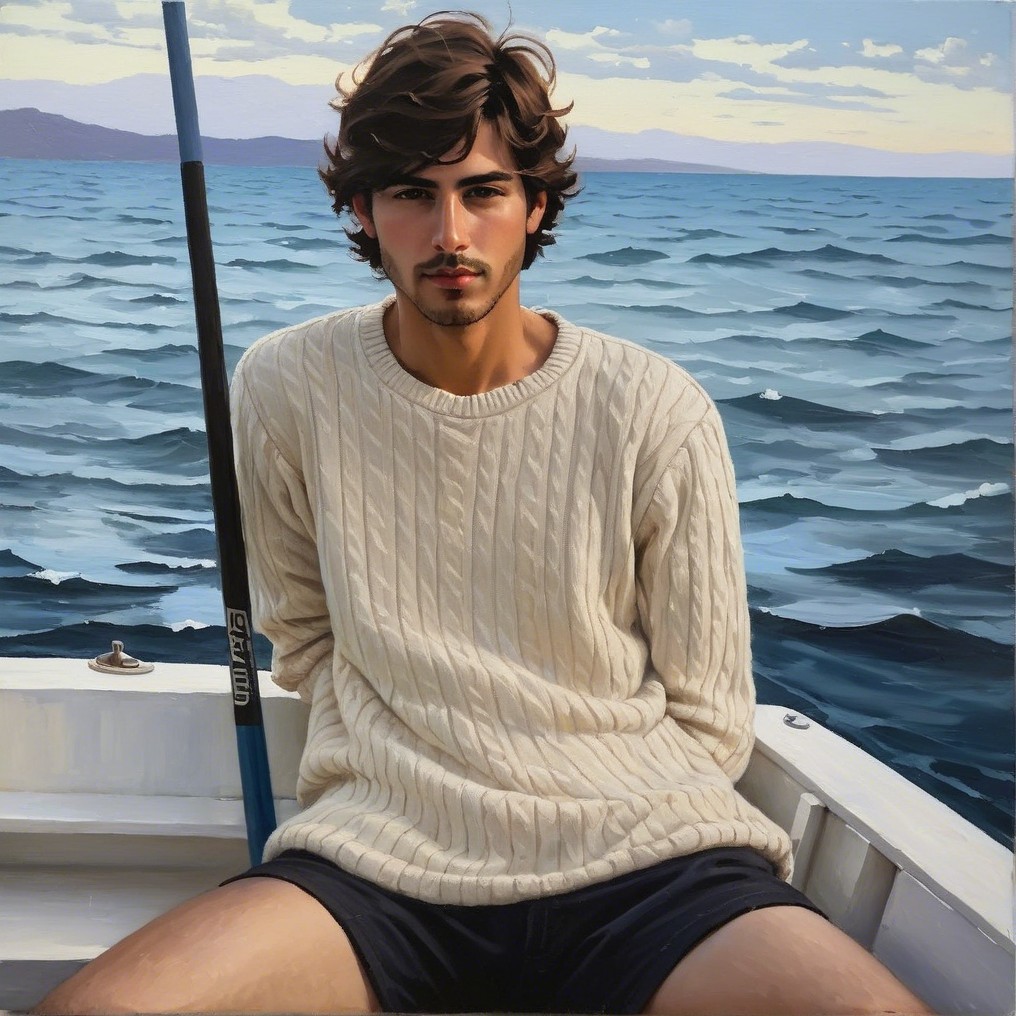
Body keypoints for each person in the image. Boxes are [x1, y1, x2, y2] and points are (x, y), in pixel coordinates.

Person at [36, 11, 931, 1016]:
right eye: (411, 194)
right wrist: (420, 771)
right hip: (379, 864)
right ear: (364, 210)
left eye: (482, 191)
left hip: (648, 864)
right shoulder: (287, 384)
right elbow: (304, 638)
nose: (449, 234)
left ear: (534, 204)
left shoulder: (653, 405)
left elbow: (710, 716)